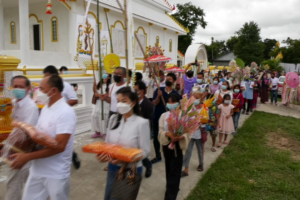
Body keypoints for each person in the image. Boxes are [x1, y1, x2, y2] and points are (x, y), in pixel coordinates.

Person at [10, 75, 76, 200]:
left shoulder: (65, 112)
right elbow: (38, 137)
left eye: (41, 89)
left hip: (56, 173)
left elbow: (59, 147)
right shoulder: (46, 108)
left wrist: (27, 157)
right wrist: (18, 150)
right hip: (37, 170)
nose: (38, 92)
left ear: (54, 91)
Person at [96, 87, 150, 200]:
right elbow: (108, 145)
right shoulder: (113, 119)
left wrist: (126, 158)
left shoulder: (142, 123)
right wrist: (103, 155)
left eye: (124, 101)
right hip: (113, 167)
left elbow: (145, 151)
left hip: (131, 170)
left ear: (133, 102)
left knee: (123, 196)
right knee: (109, 196)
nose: (120, 104)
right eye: (118, 101)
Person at [2, 76, 39, 200]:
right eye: (15, 86)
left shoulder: (30, 107)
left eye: (21, 87)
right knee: (30, 180)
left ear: (28, 89)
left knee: (14, 182)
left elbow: (26, 135)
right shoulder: (12, 104)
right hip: (8, 146)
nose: (18, 89)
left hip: (20, 151)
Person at [158, 93, 190, 200]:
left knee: (175, 171)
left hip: (178, 147)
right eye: (169, 102)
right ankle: (172, 186)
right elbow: (161, 131)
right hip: (167, 145)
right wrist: (168, 134)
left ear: (179, 103)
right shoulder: (164, 116)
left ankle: (170, 196)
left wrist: (180, 137)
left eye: (173, 102)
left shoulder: (184, 116)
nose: (171, 104)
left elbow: (188, 132)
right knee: (168, 168)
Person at [152, 73, 179, 164]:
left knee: (169, 137)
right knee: (156, 138)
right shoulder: (159, 90)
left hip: (170, 120)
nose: (168, 80)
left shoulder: (176, 93)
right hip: (157, 117)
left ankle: (170, 155)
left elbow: (178, 108)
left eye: (170, 79)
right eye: (167, 79)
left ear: (174, 81)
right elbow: (155, 103)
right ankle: (158, 156)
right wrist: (159, 96)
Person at [181, 91, 206, 177]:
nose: (194, 99)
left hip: (198, 134)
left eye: (196, 98)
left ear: (200, 99)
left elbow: (205, 120)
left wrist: (200, 121)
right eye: (193, 97)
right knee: (188, 151)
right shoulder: (189, 108)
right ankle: (186, 169)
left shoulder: (204, 108)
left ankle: (201, 164)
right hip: (190, 134)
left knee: (200, 150)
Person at [134, 81, 154, 178]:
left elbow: (149, 120)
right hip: (133, 131)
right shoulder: (132, 102)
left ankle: (148, 165)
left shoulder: (148, 104)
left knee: (141, 152)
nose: (134, 92)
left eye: (135, 90)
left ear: (141, 91)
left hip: (143, 133)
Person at [91, 74, 111, 139]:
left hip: (105, 103)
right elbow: (94, 91)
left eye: (106, 76)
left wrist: (102, 96)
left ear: (109, 77)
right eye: (104, 75)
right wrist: (94, 85)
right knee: (95, 117)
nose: (105, 77)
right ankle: (97, 132)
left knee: (104, 118)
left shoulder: (110, 85)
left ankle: (105, 133)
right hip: (98, 103)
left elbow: (109, 94)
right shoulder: (99, 83)